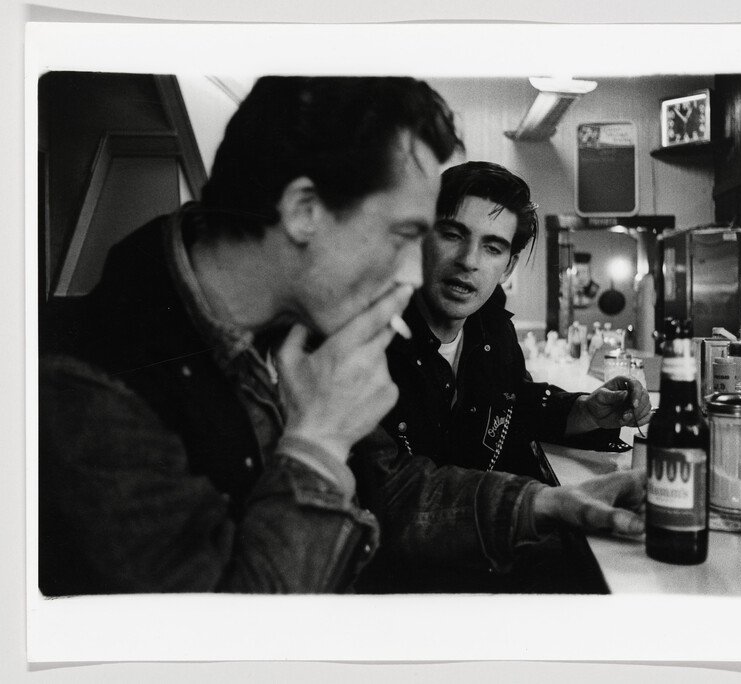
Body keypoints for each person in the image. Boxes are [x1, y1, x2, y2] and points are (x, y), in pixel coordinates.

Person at [38, 76, 462, 595]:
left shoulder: (295, 327)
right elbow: (222, 644)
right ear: (304, 210)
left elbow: (387, 487)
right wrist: (320, 442)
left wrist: (541, 504)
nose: (415, 276)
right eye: (403, 236)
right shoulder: (86, 391)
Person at [350, 161, 651, 593]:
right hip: (403, 578)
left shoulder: (492, 327)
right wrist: (544, 503)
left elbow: (513, 405)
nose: (468, 261)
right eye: (452, 235)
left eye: (492, 248)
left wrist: (586, 410)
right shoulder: (367, 340)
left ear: (508, 266)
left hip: (485, 544)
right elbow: (387, 496)